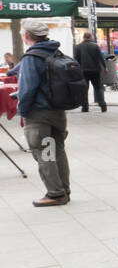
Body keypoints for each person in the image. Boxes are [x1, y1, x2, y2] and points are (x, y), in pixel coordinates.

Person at [16, 21, 71, 206]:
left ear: (26, 36)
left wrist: (22, 111)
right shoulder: (55, 51)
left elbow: (27, 88)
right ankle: (64, 189)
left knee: (45, 152)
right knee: (58, 150)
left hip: (39, 113)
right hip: (57, 111)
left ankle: (55, 193)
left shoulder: (31, 57)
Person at [72, 31, 108, 113]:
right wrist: (105, 67)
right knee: (98, 88)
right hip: (95, 70)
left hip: (83, 71)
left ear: (83, 37)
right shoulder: (95, 46)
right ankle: (103, 105)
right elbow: (100, 58)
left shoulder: (78, 47)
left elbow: (76, 60)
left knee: (84, 89)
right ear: (91, 37)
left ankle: (85, 107)